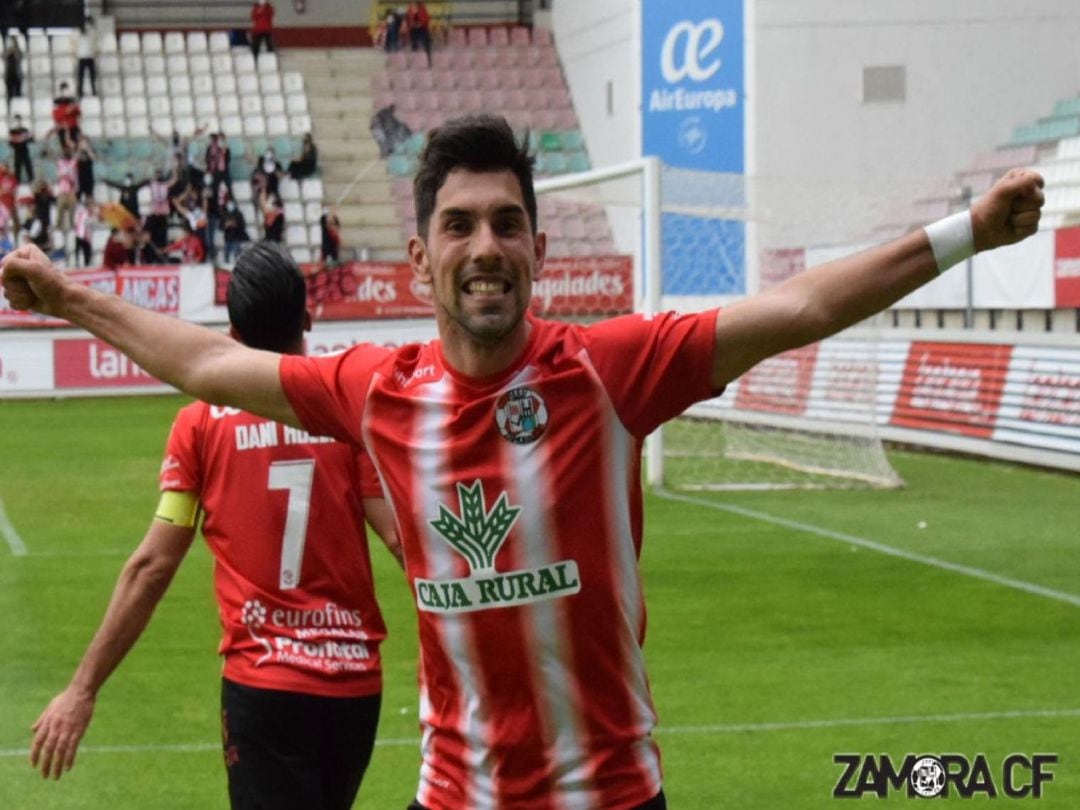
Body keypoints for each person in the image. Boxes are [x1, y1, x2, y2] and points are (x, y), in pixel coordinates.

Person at [2, 115, 1045, 810]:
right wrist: (68, 295)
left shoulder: (609, 371)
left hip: (616, 794)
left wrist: (967, 233)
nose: (485, 244)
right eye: (457, 225)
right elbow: (210, 362)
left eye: (507, 222)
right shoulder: (378, 390)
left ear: (540, 249)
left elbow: (800, 308)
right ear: (421, 257)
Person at [28, 243, 399, 810]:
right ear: (307, 319)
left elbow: (153, 566)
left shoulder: (199, 425)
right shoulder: (345, 415)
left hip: (265, 687)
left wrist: (82, 689)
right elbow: (401, 538)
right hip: (353, 687)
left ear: (230, 333)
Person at [50, 82, 82, 152]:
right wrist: (67, 112)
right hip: (63, 130)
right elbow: (57, 117)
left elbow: (78, 112)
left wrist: (71, 109)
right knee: (66, 148)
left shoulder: (73, 104)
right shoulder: (57, 106)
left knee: (76, 147)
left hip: (73, 128)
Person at [222, 194, 250, 264]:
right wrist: (226, 225)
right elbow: (221, 226)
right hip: (227, 238)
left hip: (236, 238)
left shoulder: (239, 214)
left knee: (237, 255)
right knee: (226, 256)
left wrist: (235, 225)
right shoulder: (224, 214)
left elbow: (243, 225)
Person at [75, 17, 98, 98]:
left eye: (88, 23)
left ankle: (93, 90)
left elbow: (94, 40)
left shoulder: (92, 32)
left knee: (92, 75)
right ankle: (80, 91)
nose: (87, 25)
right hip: (82, 56)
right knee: (81, 76)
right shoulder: (79, 32)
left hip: (90, 56)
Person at [8, 114, 34, 183]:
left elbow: (31, 139)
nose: (17, 122)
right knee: (17, 167)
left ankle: (31, 180)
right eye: (16, 120)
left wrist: (24, 138)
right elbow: (11, 142)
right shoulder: (12, 131)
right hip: (17, 151)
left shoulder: (25, 130)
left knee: (28, 165)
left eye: (19, 120)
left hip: (25, 151)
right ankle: (17, 181)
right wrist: (18, 139)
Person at [406, 2, 432, 68]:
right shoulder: (410, 9)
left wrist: (421, 24)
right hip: (414, 30)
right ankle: (414, 63)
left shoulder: (422, 8)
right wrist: (412, 25)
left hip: (422, 29)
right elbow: (408, 20)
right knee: (414, 46)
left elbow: (427, 18)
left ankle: (429, 62)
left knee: (426, 46)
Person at [72, 194, 95, 267]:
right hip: (80, 235)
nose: (92, 207)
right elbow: (79, 222)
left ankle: (86, 264)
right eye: (91, 205)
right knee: (78, 250)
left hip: (87, 237)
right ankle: (77, 262)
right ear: (87, 205)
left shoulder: (91, 214)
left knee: (87, 252)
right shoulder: (82, 212)